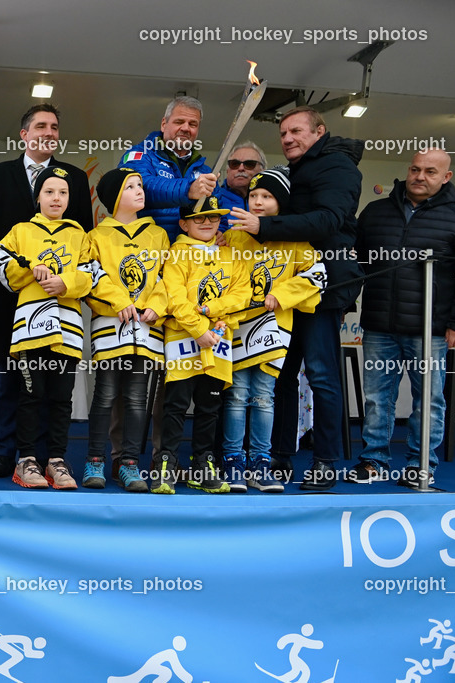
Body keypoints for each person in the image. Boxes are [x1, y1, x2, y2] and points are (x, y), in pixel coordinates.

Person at [228, 105, 364, 491]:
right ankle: (280, 457)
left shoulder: (337, 166)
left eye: (296, 132)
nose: (287, 138)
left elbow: (328, 220)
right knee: (281, 376)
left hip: (322, 288)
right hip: (282, 290)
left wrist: (263, 226)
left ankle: (325, 462)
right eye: (283, 133)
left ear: (319, 132)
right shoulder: (299, 169)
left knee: (321, 375)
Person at [0, 104, 93, 479]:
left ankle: (48, 456)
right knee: (11, 380)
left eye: (55, 126)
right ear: (24, 134)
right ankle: (6, 452)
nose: (49, 131)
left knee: (53, 386)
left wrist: (70, 285)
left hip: (59, 303)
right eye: (40, 126)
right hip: (10, 296)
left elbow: (85, 244)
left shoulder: (74, 178)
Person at [348, 149, 455, 488]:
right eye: (415, 169)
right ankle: (373, 461)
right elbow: (356, 264)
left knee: (430, 401)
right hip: (380, 325)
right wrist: (345, 304)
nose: (419, 176)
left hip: (432, 329)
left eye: (429, 171)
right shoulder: (376, 212)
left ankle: (419, 465)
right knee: (378, 398)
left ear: (446, 177)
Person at [222, 169, 324, 492]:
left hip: (274, 331)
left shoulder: (296, 240)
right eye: (253, 196)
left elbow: (317, 276)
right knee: (237, 395)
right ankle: (232, 461)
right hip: (236, 328)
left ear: (281, 203)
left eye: (267, 196)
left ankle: (261, 463)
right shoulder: (233, 236)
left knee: (264, 397)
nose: (258, 202)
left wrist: (282, 295)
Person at [154, 196, 249, 494]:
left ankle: (202, 463)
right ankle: (166, 463)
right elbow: (174, 296)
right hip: (183, 337)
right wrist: (198, 330)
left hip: (219, 337)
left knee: (210, 405)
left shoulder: (231, 255)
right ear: (183, 224)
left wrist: (220, 318)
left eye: (213, 217)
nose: (208, 222)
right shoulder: (176, 253)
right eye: (199, 218)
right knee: (176, 404)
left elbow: (242, 295)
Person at [81, 168, 168, 490]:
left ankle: (129, 464)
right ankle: (94, 461)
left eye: (140, 185)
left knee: (136, 399)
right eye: (130, 187)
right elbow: (93, 274)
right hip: (110, 325)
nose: (139, 191)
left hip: (146, 329)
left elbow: (165, 277)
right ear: (115, 197)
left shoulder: (157, 235)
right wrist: (119, 301)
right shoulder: (97, 236)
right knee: (104, 396)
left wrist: (155, 307)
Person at [122, 95, 238, 241]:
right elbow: (141, 189)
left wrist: (219, 231)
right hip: (147, 252)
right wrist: (188, 190)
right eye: (179, 122)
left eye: (193, 124)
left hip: (191, 258)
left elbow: (219, 209)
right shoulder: (139, 155)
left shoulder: (206, 171)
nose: (185, 128)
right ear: (164, 124)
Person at [219, 141, 267, 225]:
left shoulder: (273, 201)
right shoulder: (213, 200)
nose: (241, 168)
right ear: (227, 171)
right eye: (234, 164)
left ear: (262, 170)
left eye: (249, 164)